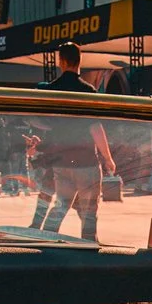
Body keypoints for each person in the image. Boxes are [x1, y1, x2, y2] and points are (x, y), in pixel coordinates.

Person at [33, 42, 113, 238]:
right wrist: (108, 158)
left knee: (61, 204)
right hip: (85, 162)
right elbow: (95, 127)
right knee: (89, 211)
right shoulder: (87, 90)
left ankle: (48, 239)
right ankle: (88, 245)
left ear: (61, 61)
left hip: (61, 162)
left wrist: (52, 128)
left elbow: (37, 120)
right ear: (80, 60)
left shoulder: (51, 90)